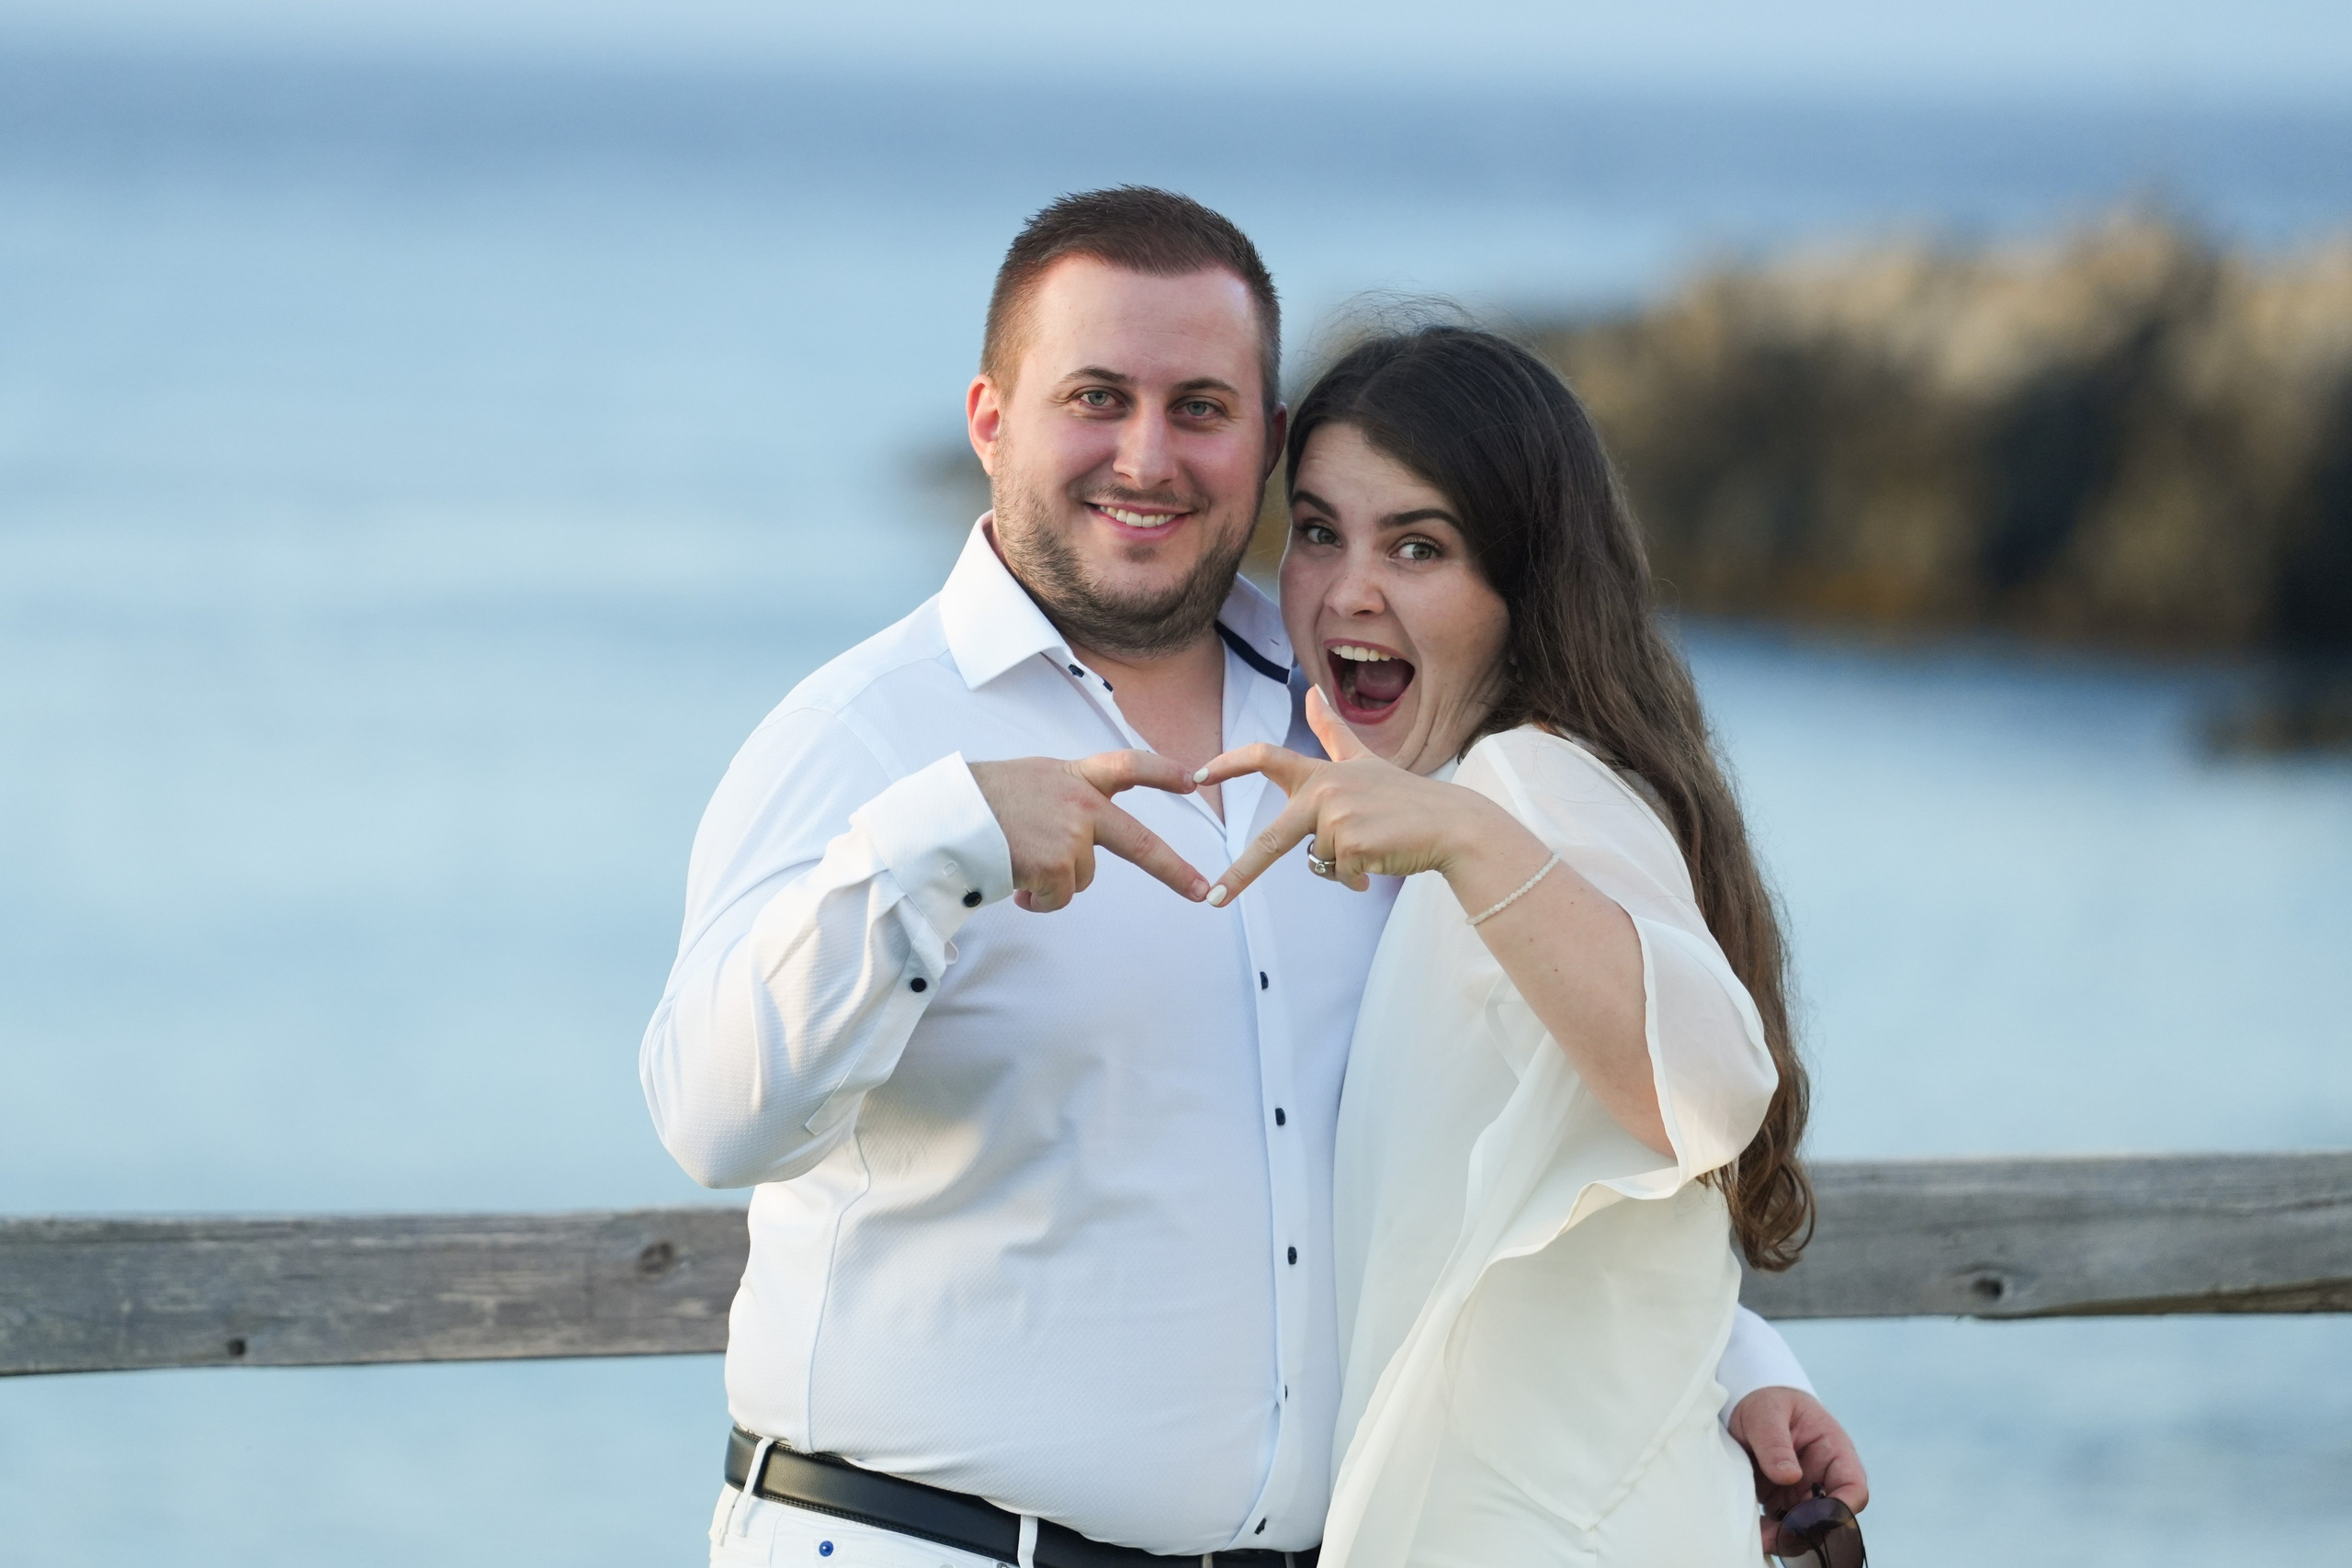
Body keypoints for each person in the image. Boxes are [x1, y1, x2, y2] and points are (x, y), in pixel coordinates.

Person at [641, 186, 1865, 1567]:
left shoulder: (1367, 728)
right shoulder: (864, 735)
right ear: (992, 420)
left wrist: (1735, 1361)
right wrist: (941, 848)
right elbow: (710, 1121)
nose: (1147, 456)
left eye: (1202, 408)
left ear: (1266, 442)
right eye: (1097, 397)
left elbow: (1496, 1129)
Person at [1195, 326, 1834, 1564]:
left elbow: (1711, 1091)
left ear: (1522, 586)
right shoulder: (1478, 794)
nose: (1346, 590)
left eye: (1418, 546)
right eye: (1319, 530)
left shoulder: (1527, 787)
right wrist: (1749, 1362)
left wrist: (1468, 837)